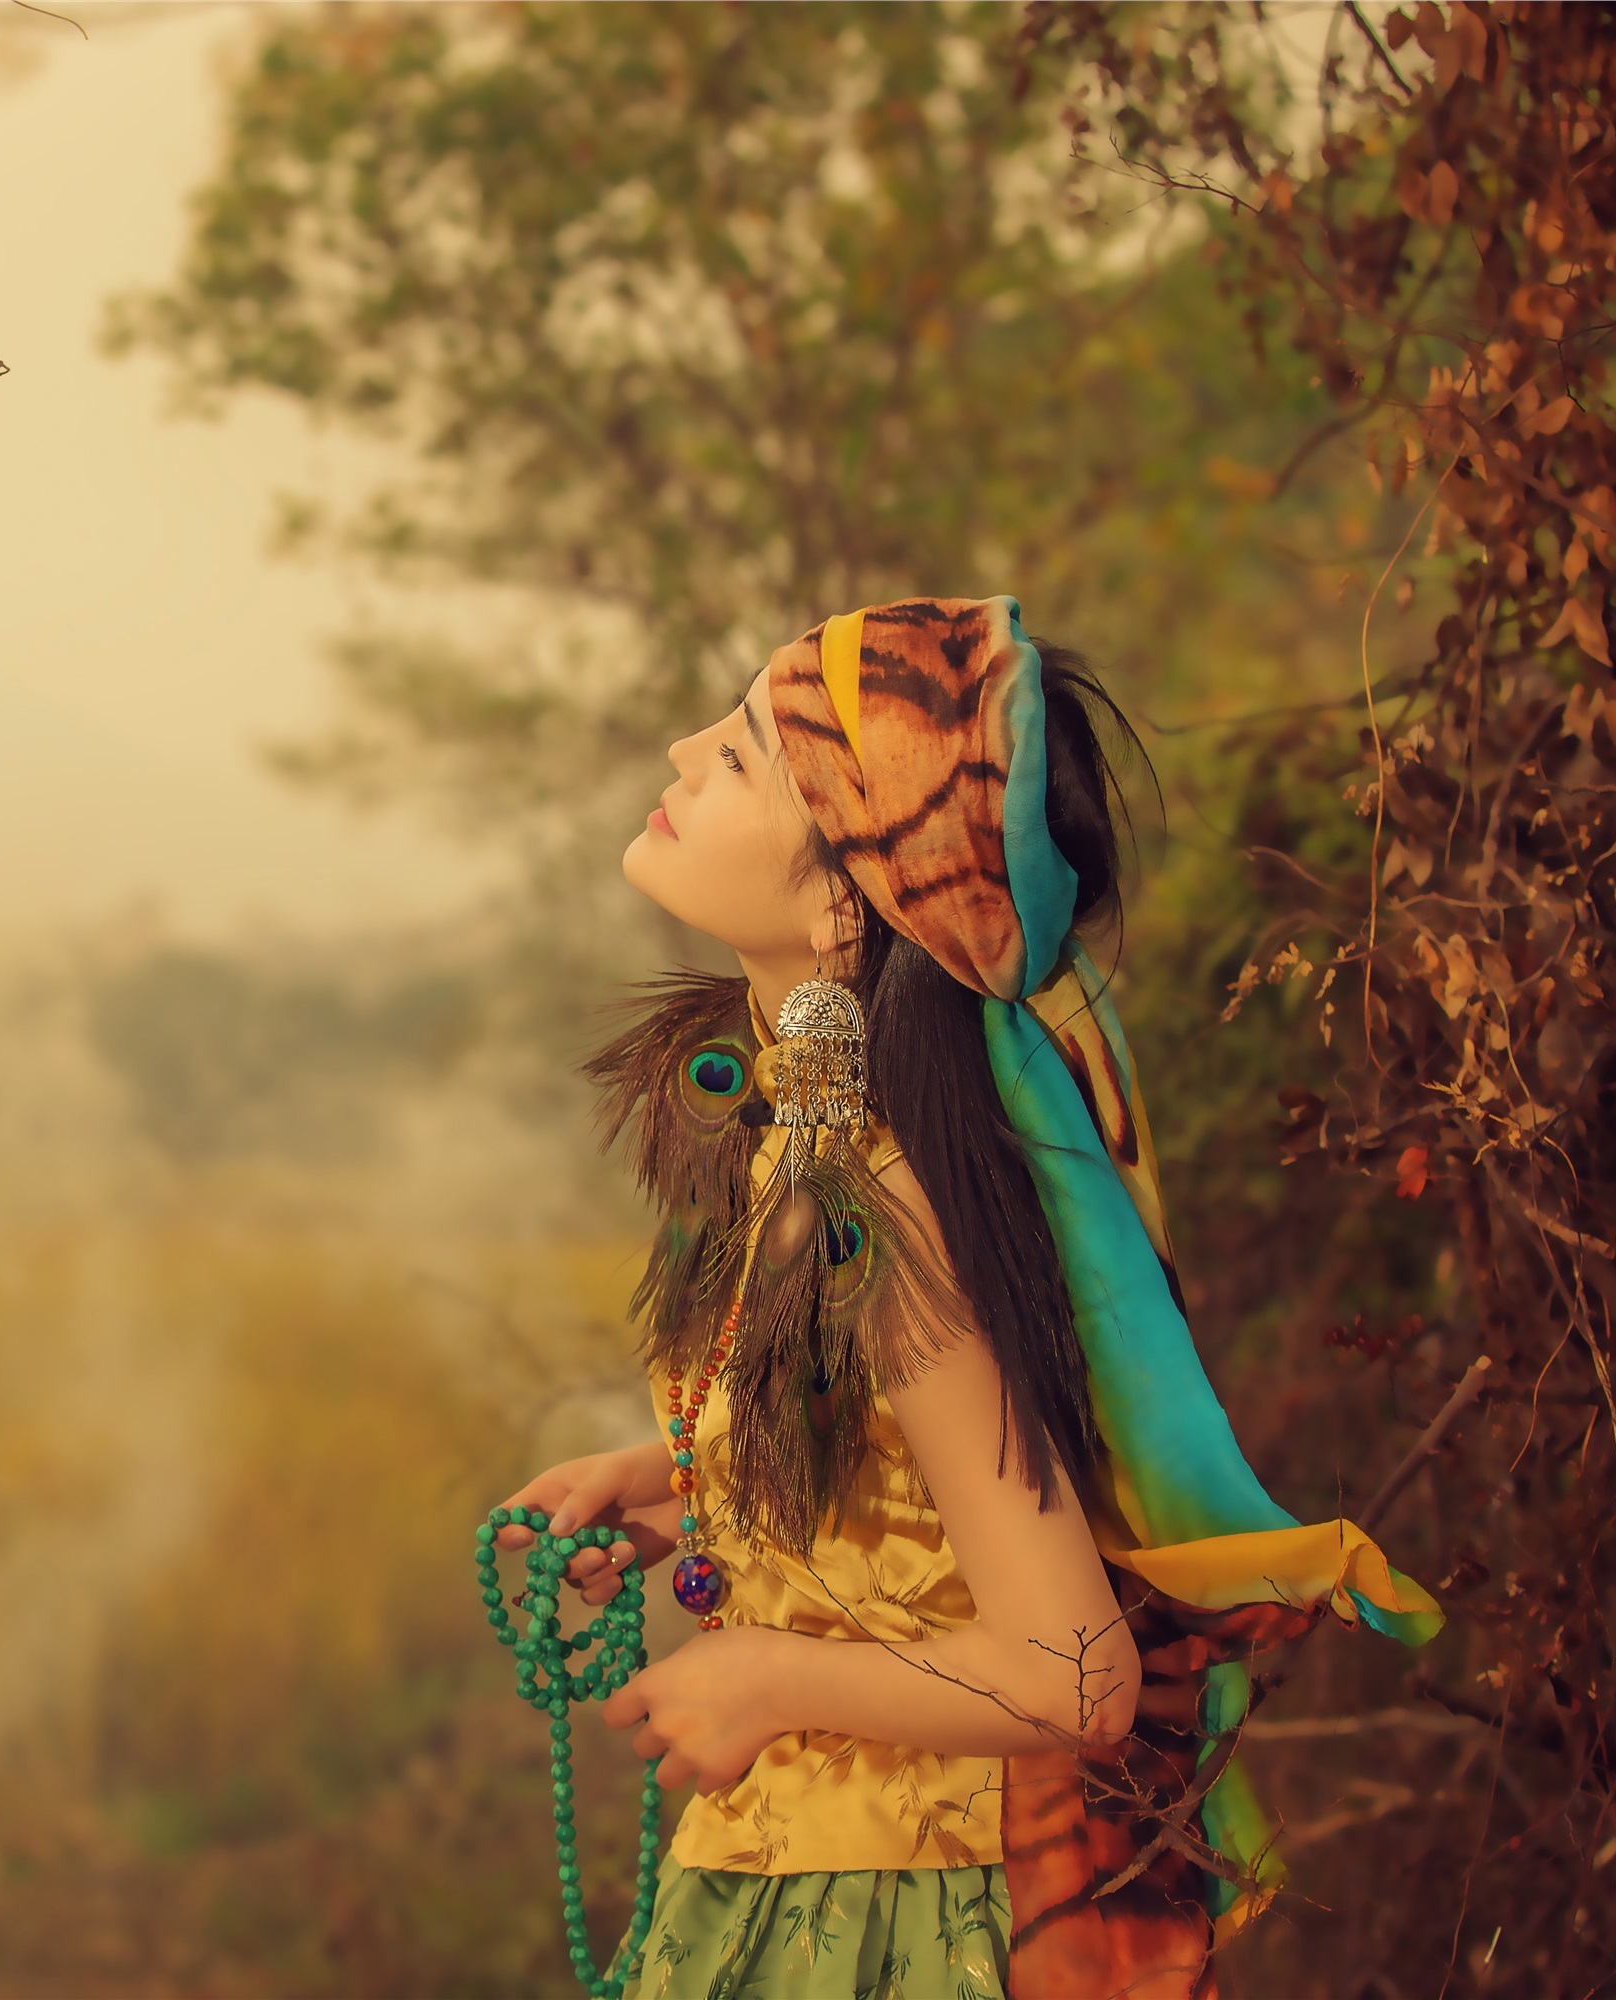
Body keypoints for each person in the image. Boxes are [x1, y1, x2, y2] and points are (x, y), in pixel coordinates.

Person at [494, 598, 1441, 1999]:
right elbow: (908, 1495)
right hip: (781, 1874)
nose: (689, 748)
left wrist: (763, 1680)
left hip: (894, 1918)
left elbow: (1075, 1673)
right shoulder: (801, 1138)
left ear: (844, 901)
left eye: (747, 755)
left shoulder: (885, 1204)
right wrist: (678, 1490)